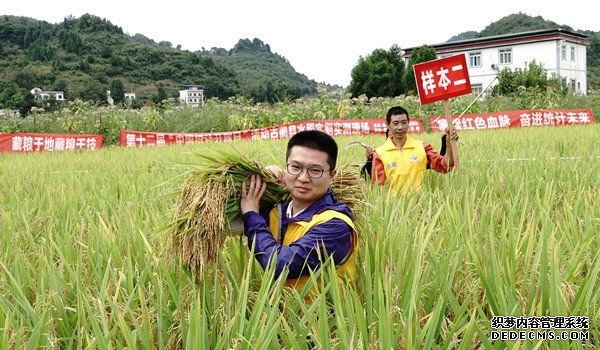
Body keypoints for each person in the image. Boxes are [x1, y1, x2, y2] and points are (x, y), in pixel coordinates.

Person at [239, 130, 358, 291]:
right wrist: (263, 180)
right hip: (276, 314)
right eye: (295, 167)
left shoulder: (335, 225)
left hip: (323, 315)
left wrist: (252, 214)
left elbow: (279, 264)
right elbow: (227, 225)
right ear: (286, 167)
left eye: (315, 170)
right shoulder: (278, 211)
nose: (303, 178)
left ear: (332, 175)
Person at [370, 106, 458, 194]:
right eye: (395, 123)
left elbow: (445, 166)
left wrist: (449, 143)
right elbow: (378, 189)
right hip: (394, 205)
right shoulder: (380, 153)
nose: (400, 127)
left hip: (421, 203)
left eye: (404, 122)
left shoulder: (422, 147)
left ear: (408, 123)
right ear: (388, 125)